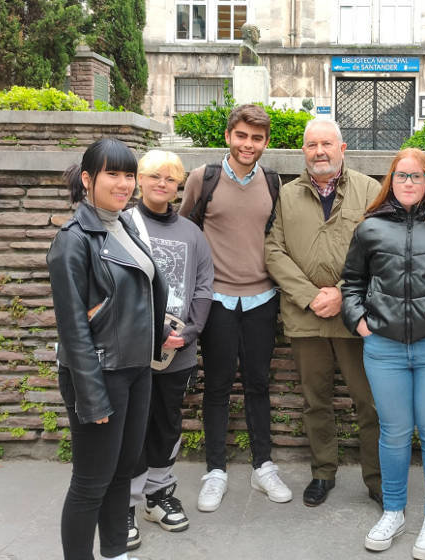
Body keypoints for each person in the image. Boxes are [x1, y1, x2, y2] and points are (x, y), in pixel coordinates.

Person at [48, 138, 180, 560]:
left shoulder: (122, 223)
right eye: (112, 173)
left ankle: (115, 553)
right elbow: (73, 330)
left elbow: (135, 293)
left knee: (123, 472)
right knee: (91, 480)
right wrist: (92, 396)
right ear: (88, 179)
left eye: (128, 174)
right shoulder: (73, 239)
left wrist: (157, 336)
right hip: (100, 374)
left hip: (136, 368)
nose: (123, 184)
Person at [341, 148, 425, 560]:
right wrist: (360, 322)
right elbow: (351, 283)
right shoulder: (370, 228)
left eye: (417, 177)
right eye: (402, 176)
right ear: (391, 179)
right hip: (384, 349)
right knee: (394, 433)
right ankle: (394, 511)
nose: (409, 183)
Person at [178, 104, 292, 512]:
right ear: (229, 136)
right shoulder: (202, 179)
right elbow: (183, 232)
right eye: (241, 136)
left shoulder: (274, 183)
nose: (248, 144)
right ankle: (216, 472)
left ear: (265, 143)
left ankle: (264, 467)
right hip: (217, 301)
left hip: (262, 299)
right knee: (219, 386)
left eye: (257, 138)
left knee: (260, 384)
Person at [265, 119, 382, 508]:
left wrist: (344, 294)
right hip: (306, 317)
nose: (320, 151)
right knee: (316, 401)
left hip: (354, 317)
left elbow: (383, 252)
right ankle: (322, 472)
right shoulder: (286, 194)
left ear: (342, 147)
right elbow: (273, 250)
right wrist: (310, 295)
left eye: (327, 144)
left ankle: (377, 479)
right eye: (312, 144)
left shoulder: (369, 190)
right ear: (304, 151)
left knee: (368, 402)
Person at [124, 151, 214, 549]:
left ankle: (158, 493)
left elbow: (203, 287)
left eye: (171, 178)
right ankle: (124, 502)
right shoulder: (124, 224)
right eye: (154, 176)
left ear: (179, 186)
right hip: (132, 350)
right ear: (140, 179)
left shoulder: (193, 234)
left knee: (166, 423)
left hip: (178, 350)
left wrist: (189, 332)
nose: (162, 184)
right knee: (132, 426)